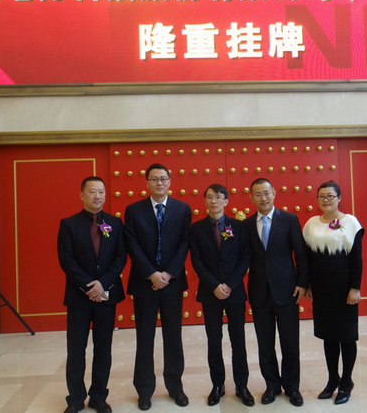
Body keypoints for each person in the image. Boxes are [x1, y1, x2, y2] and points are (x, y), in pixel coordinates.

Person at [124, 163, 192, 411]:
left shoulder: (183, 209)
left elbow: (184, 243)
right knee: (145, 338)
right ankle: (144, 391)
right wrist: (152, 273)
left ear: (170, 181)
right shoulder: (133, 210)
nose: (159, 183)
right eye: (154, 179)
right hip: (144, 284)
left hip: (172, 283)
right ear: (147, 183)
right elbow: (132, 244)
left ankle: (175, 387)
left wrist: (168, 273)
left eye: (163, 178)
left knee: (173, 337)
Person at [57, 176, 127, 413]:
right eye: (92, 192)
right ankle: (75, 399)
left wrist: (103, 284)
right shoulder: (69, 224)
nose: (97, 196)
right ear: (82, 195)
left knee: (103, 349)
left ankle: (98, 397)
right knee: (76, 350)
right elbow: (66, 260)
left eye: (101, 192)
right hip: (79, 297)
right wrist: (89, 286)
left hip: (107, 296)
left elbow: (120, 257)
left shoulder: (115, 223)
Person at [244, 178, 309, 407]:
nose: (263, 198)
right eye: (258, 194)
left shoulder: (289, 220)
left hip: (287, 290)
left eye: (266, 193)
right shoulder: (246, 224)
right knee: (265, 344)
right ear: (252, 198)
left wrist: (302, 283)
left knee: (290, 342)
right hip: (259, 292)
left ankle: (292, 387)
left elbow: (300, 254)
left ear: (274, 193)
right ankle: (272, 386)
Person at [189, 184, 254, 407]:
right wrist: (215, 285)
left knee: (238, 340)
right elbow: (196, 261)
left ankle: (242, 386)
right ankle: (217, 385)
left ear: (226, 201)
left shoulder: (239, 227)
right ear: (205, 201)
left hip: (235, 293)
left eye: (218, 197)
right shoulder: (196, 229)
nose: (213, 201)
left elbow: (245, 257)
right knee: (214, 341)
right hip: (210, 293)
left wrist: (230, 284)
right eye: (209, 197)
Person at [303, 180, 364, 405]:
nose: (326, 200)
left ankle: (346, 382)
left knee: (346, 336)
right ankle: (332, 380)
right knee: (328, 335)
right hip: (321, 288)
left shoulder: (351, 222)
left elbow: (357, 259)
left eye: (330, 195)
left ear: (339, 198)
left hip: (344, 287)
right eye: (321, 196)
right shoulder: (311, 224)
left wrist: (355, 288)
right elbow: (307, 259)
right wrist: (307, 284)